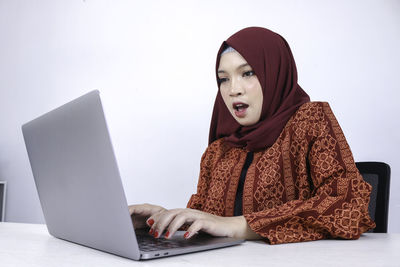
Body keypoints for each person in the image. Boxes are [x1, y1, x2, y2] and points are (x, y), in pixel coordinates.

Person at [129, 27, 375, 244]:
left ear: (274, 72)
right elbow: (206, 221)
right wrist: (162, 217)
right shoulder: (218, 151)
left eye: (247, 73)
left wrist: (239, 225)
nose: (233, 89)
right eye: (223, 79)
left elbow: (348, 205)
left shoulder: (310, 120)